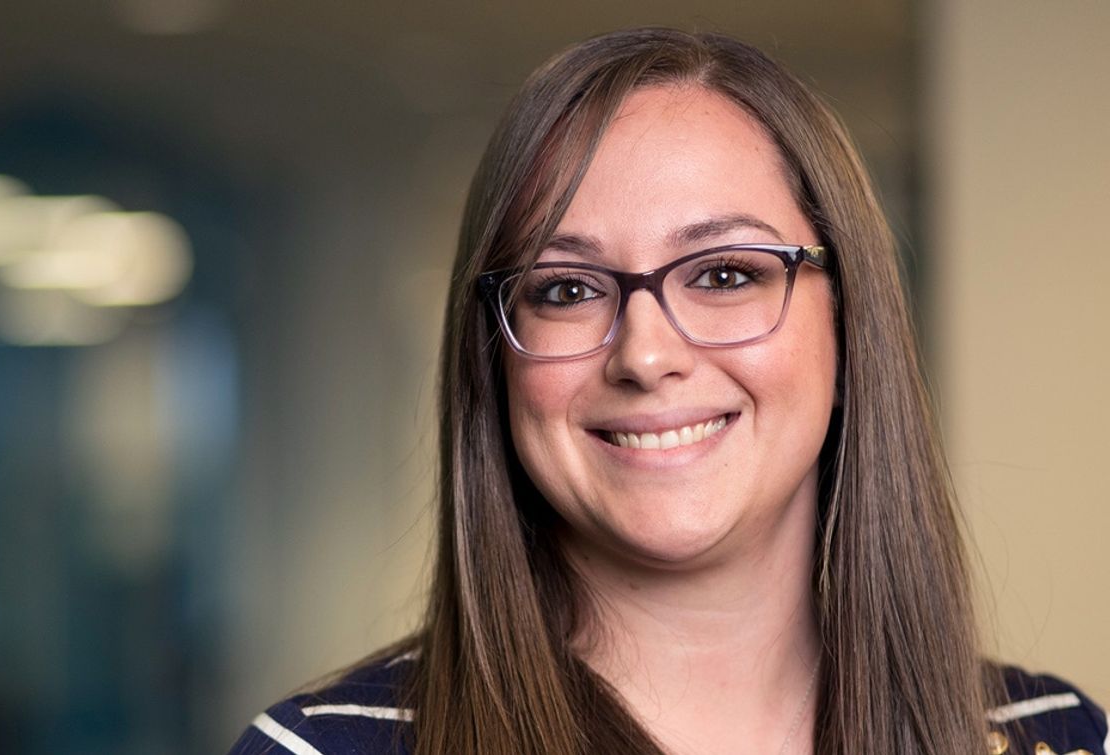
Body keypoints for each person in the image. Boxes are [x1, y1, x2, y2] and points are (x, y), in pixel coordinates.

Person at [228, 27, 1107, 755]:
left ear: (848, 324)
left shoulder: (1055, 738)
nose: (646, 355)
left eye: (725, 273)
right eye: (567, 288)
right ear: (492, 362)